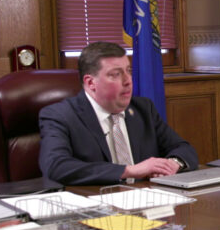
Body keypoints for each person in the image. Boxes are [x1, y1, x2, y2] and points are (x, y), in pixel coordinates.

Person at [39, 42, 199, 185]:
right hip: (98, 205)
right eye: (116, 74)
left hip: (150, 200)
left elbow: (183, 148)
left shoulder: (143, 109)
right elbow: (56, 165)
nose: (128, 81)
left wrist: (172, 164)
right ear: (90, 82)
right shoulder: (60, 115)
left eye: (128, 71)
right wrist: (129, 171)